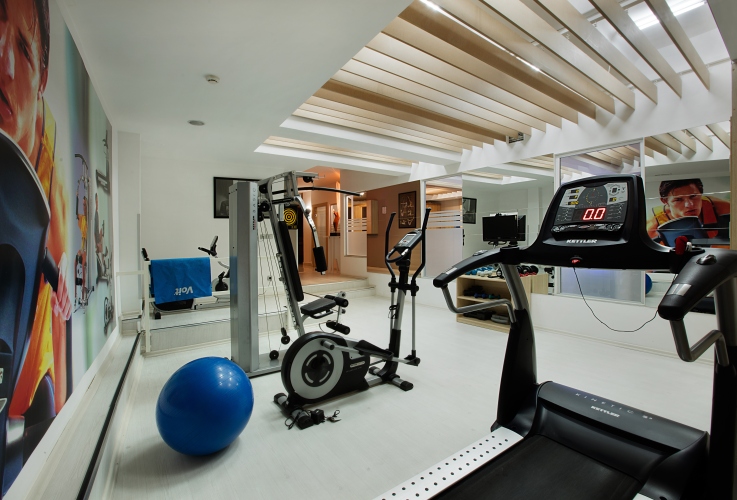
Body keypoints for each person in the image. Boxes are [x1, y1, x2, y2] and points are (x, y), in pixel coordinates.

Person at [0, 0, 71, 434]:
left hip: (31, 384)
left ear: (42, 78)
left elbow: (60, 291)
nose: (5, 63)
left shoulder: (50, 166)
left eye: (24, 49)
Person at [646, 178, 730, 245]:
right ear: (665, 201)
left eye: (693, 196)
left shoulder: (724, 208)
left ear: (701, 193)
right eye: (678, 199)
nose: (689, 205)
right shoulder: (652, 225)